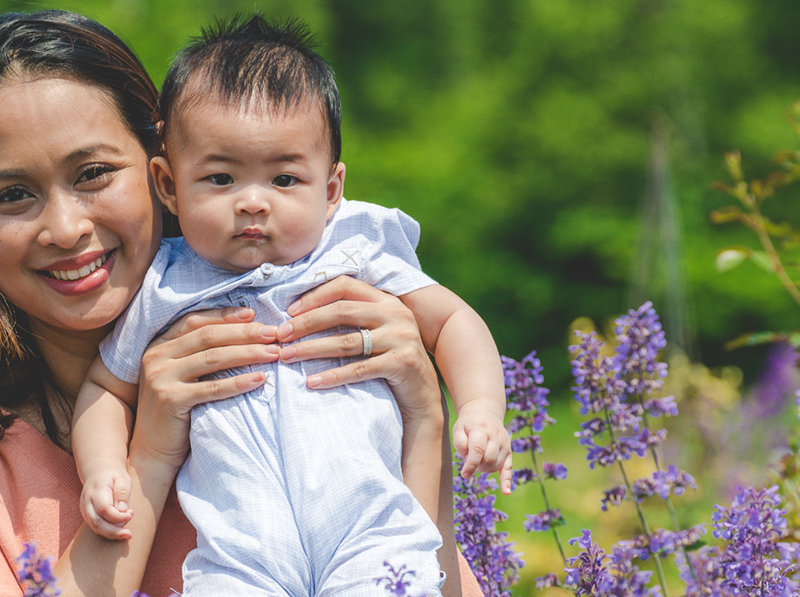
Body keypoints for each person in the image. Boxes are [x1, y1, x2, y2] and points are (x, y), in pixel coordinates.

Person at [0, 9, 483, 597]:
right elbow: (109, 393)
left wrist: (427, 417)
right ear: (173, 179)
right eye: (12, 194)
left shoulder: (338, 267)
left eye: (94, 173)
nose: (66, 228)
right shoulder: (19, 466)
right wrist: (146, 458)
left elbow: (419, 578)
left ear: (155, 170)